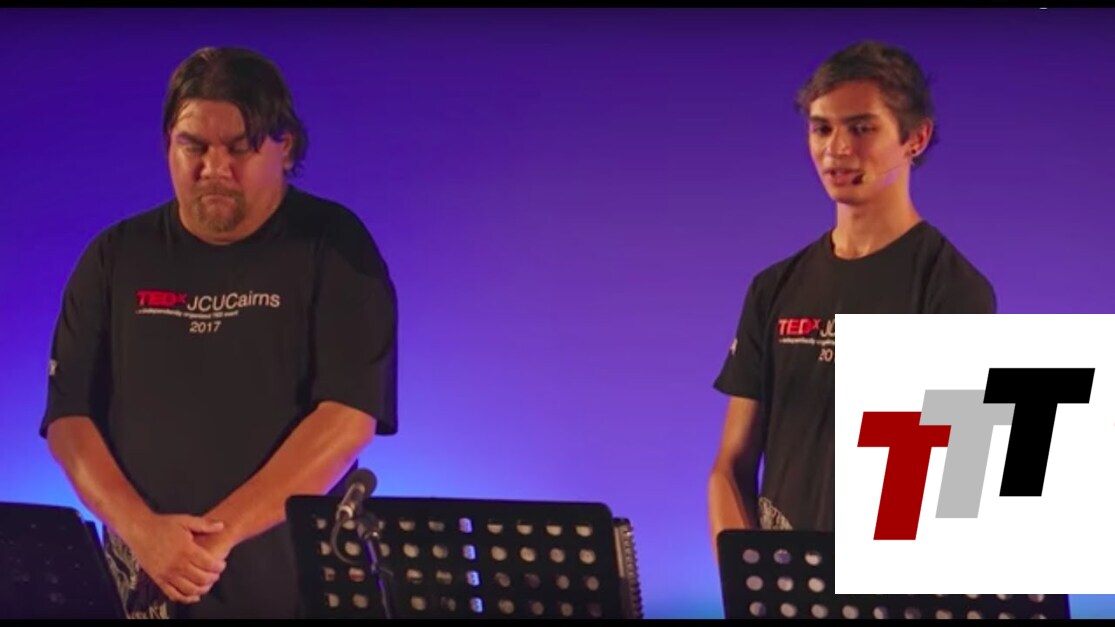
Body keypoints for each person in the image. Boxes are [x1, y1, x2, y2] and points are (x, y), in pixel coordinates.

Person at [39, 46, 399, 619]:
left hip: (292, 593)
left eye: (238, 147)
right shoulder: (114, 257)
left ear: (285, 147)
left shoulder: (334, 246)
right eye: (195, 146)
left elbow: (346, 418)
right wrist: (143, 532)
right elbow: (69, 419)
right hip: (146, 591)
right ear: (169, 145)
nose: (214, 168)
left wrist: (216, 538)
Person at [707, 40, 996, 553]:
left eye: (861, 128)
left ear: (916, 138)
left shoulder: (952, 289)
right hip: (783, 584)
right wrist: (747, 577)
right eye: (822, 128)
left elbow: (955, 492)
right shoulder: (773, 288)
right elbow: (730, 466)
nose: (836, 149)